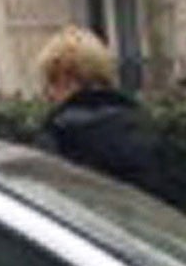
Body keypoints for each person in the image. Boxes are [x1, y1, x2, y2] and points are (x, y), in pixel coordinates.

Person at [35, 27, 165, 198]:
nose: (48, 94)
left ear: (66, 78)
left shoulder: (62, 135)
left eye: (51, 81)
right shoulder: (140, 124)